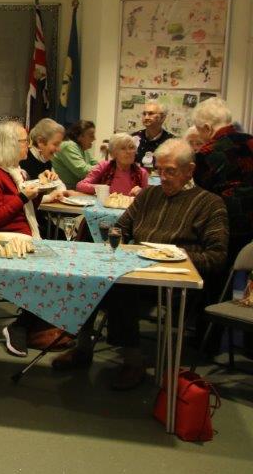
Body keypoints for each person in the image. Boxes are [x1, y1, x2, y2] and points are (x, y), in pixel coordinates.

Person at [54, 140, 228, 389]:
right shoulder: (149, 195)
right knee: (90, 275)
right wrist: (111, 238)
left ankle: (132, 360)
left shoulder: (210, 204)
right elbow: (121, 228)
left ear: (190, 170)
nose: (162, 177)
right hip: (139, 270)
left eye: (171, 171)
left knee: (121, 287)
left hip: (175, 279)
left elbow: (217, 256)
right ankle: (83, 346)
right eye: (158, 171)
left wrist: (174, 255)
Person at [0, 122, 60, 356]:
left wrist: (41, 189)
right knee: (52, 269)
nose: (29, 146)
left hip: (22, 238)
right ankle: (23, 327)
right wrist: (22, 196)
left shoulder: (16, 171)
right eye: (25, 141)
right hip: (4, 244)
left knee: (60, 265)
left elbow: (27, 210)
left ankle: (29, 326)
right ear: (12, 144)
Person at [192, 97, 253, 333]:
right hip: (250, 223)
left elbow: (204, 196)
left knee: (215, 280)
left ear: (207, 128)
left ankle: (207, 337)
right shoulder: (250, 142)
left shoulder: (208, 153)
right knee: (243, 278)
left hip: (225, 222)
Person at [76, 133, 148, 197]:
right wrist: (102, 189)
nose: (129, 152)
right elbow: (80, 186)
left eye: (132, 148)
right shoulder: (104, 166)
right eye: (123, 148)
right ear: (113, 153)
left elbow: (148, 199)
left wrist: (141, 193)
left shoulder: (141, 173)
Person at [52, 120, 98, 190]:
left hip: (76, 191)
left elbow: (96, 164)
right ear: (80, 136)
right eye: (91, 136)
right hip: (65, 192)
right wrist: (104, 168)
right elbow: (83, 171)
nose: (94, 138)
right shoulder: (69, 146)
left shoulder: (82, 148)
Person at [132, 101, 175, 169]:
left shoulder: (172, 141)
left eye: (150, 113)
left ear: (163, 118)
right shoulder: (134, 138)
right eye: (144, 114)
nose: (146, 117)